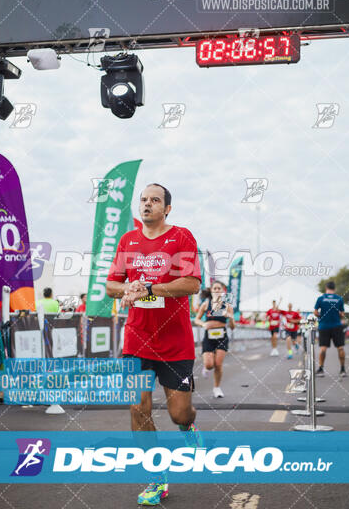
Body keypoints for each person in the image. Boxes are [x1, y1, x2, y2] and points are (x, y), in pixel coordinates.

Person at [106, 183, 201, 506]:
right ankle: (155, 477)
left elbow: (191, 284)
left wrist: (148, 288)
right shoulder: (127, 241)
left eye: (155, 200)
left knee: (179, 414)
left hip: (175, 343)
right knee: (138, 407)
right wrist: (126, 291)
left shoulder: (181, 237)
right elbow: (110, 285)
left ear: (167, 209)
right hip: (136, 338)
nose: (147, 204)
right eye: (143, 200)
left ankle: (189, 429)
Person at [194, 280, 235, 398]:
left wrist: (231, 318)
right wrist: (203, 324)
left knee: (218, 364)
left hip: (222, 336)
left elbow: (232, 327)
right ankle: (206, 368)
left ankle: (217, 388)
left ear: (223, 291)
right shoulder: (206, 304)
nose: (217, 290)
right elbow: (197, 319)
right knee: (209, 365)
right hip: (209, 336)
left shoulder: (227, 306)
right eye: (215, 289)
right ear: (211, 291)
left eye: (219, 289)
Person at [314, 281, 346, 377]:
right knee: (340, 348)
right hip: (336, 325)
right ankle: (342, 370)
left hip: (324, 326)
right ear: (334, 289)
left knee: (323, 348)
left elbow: (315, 312)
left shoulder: (321, 298)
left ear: (326, 288)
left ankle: (321, 369)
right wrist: (337, 315)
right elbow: (342, 314)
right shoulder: (339, 299)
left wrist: (321, 316)